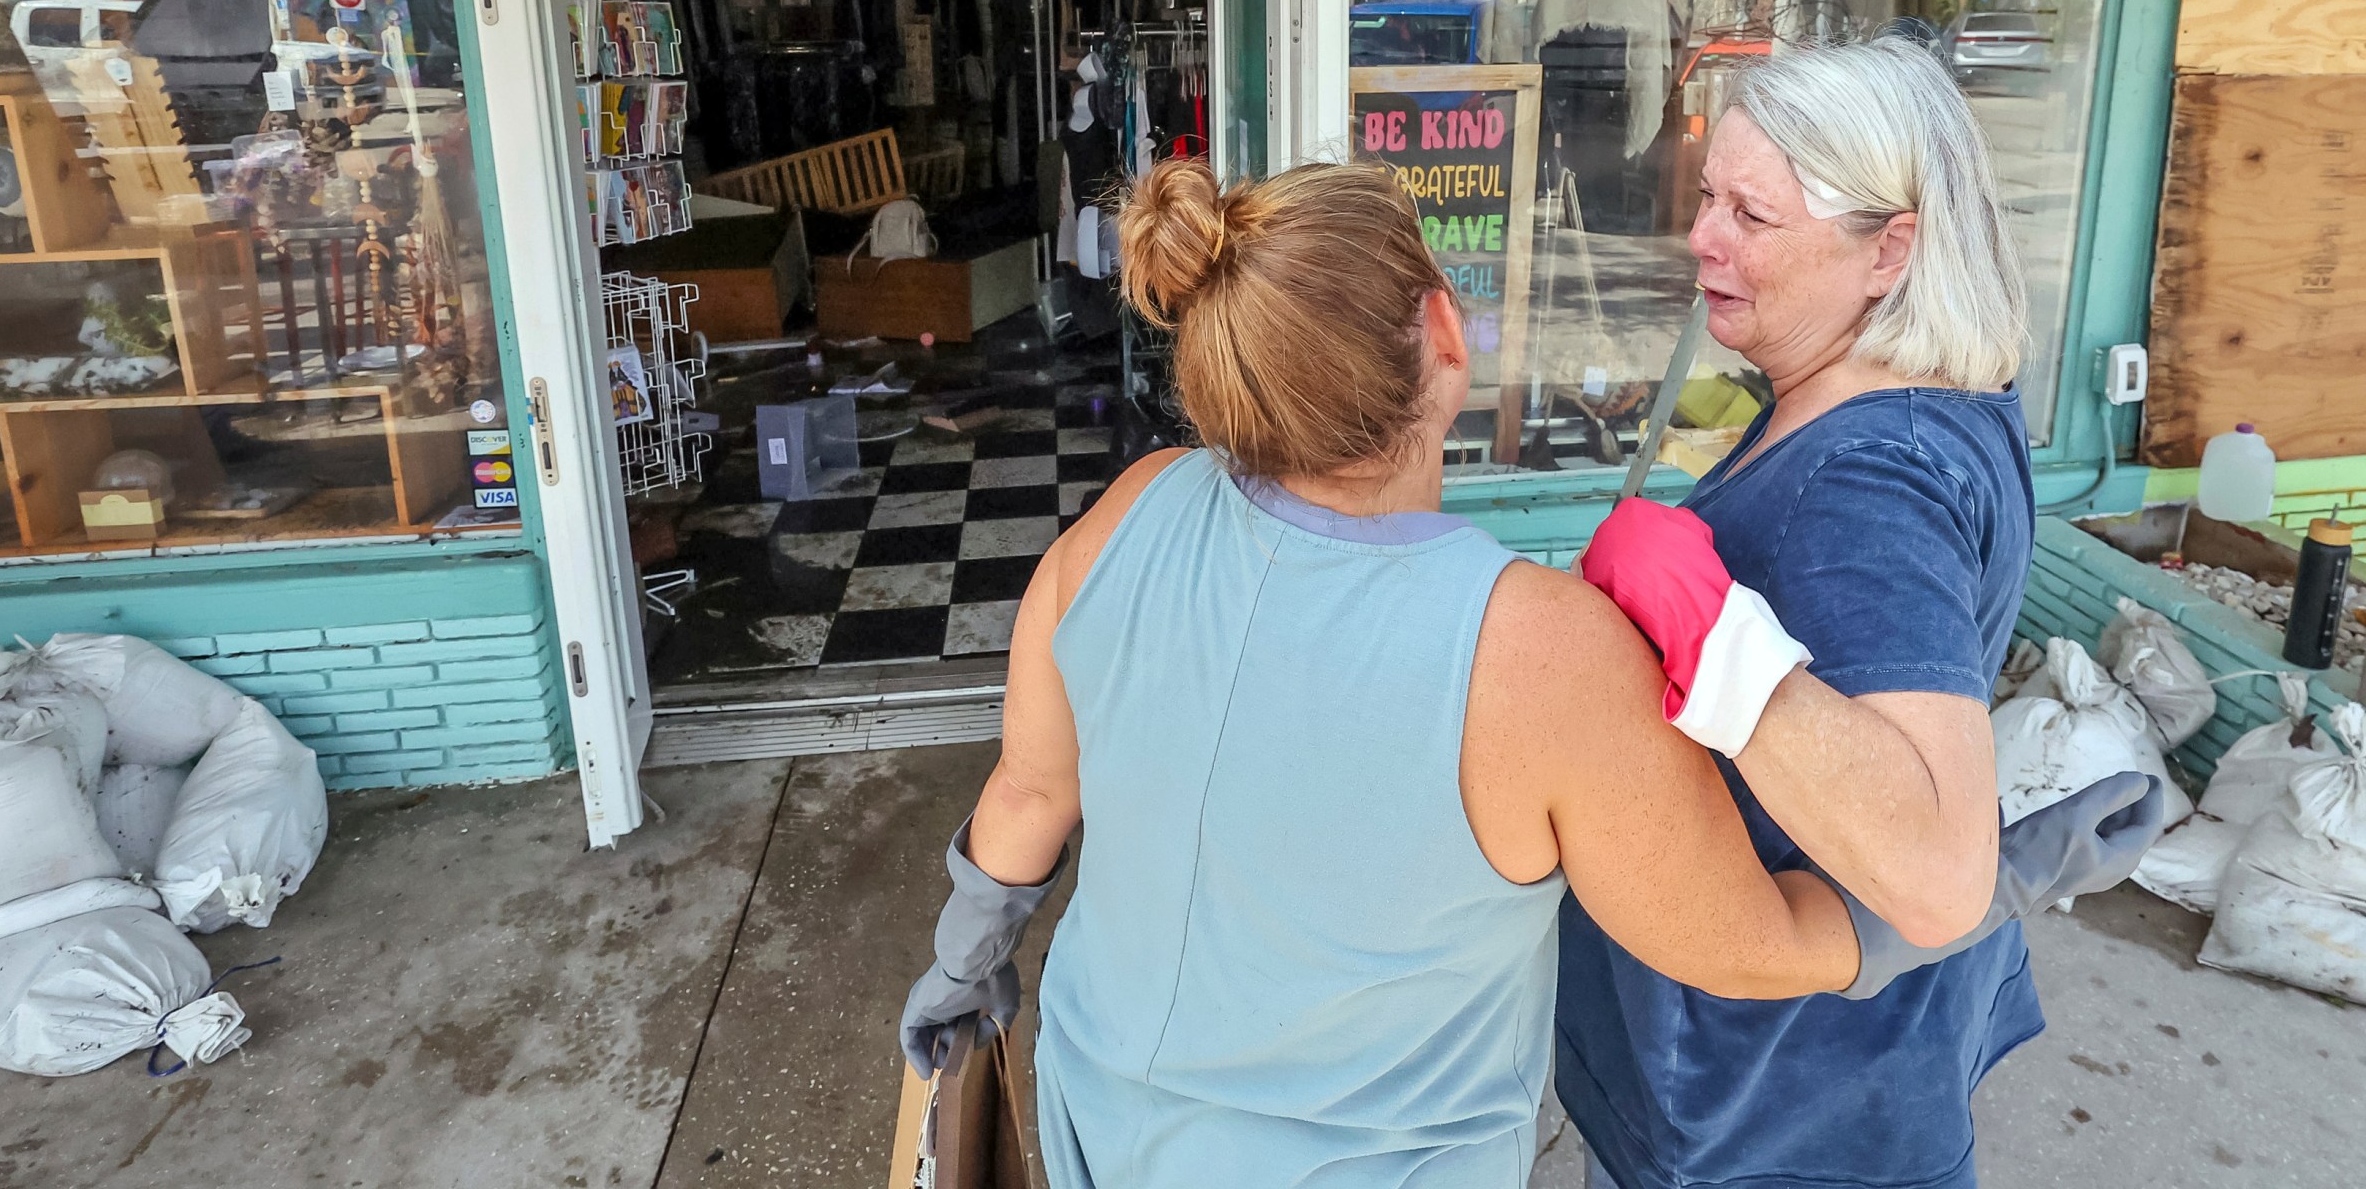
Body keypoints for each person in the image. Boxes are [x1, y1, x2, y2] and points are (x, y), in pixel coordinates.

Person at [891, 155, 2151, 1188]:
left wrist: (964, 959)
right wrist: (1984, 889)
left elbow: (1023, 803)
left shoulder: (1129, 512)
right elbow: (1751, 946)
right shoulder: (1539, 651)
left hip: (1098, 1123)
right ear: (1445, 328)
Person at [1557, 35, 2087, 1189]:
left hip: (1772, 1109)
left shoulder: (1867, 481)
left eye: (1752, 215)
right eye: (1707, 197)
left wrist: (1711, 639)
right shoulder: (1910, 398)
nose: (1702, 238)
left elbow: (1939, 874)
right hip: (1844, 1066)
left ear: (1889, 248)